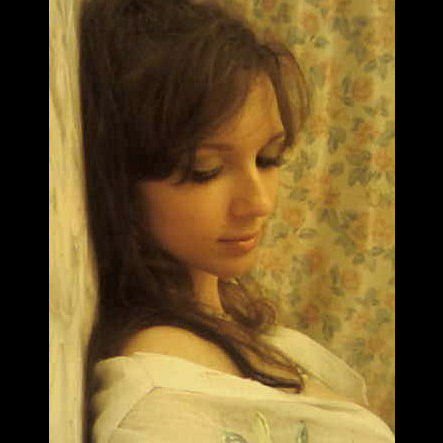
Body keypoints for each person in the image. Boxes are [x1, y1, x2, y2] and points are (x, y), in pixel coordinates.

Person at [79, 0, 395, 441]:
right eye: (205, 170)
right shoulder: (161, 397)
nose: (258, 203)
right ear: (120, 177)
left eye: (268, 158)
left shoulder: (239, 325)